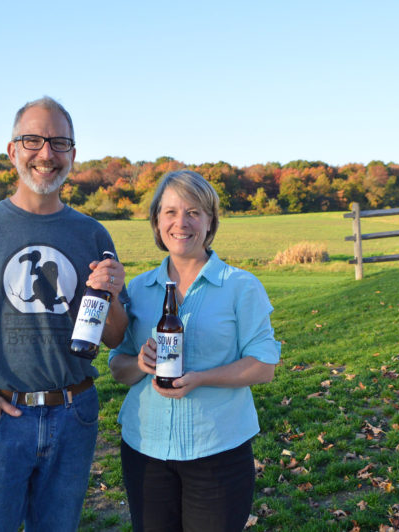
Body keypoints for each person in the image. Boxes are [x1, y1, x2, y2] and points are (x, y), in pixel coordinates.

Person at [0, 96, 128, 531]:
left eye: (59, 142)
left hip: (75, 415)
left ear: (73, 154)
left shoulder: (92, 233)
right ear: (12, 151)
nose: (46, 153)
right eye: (32, 140)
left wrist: (112, 293)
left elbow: (113, 336)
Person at [108, 170, 281, 532]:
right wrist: (140, 363)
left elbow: (264, 366)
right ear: (157, 221)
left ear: (210, 221)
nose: (180, 223)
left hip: (217, 450)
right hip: (146, 451)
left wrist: (201, 378)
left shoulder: (240, 286)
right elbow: (118, 368)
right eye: (170, 212)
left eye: (193, 212)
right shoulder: (138, 290)